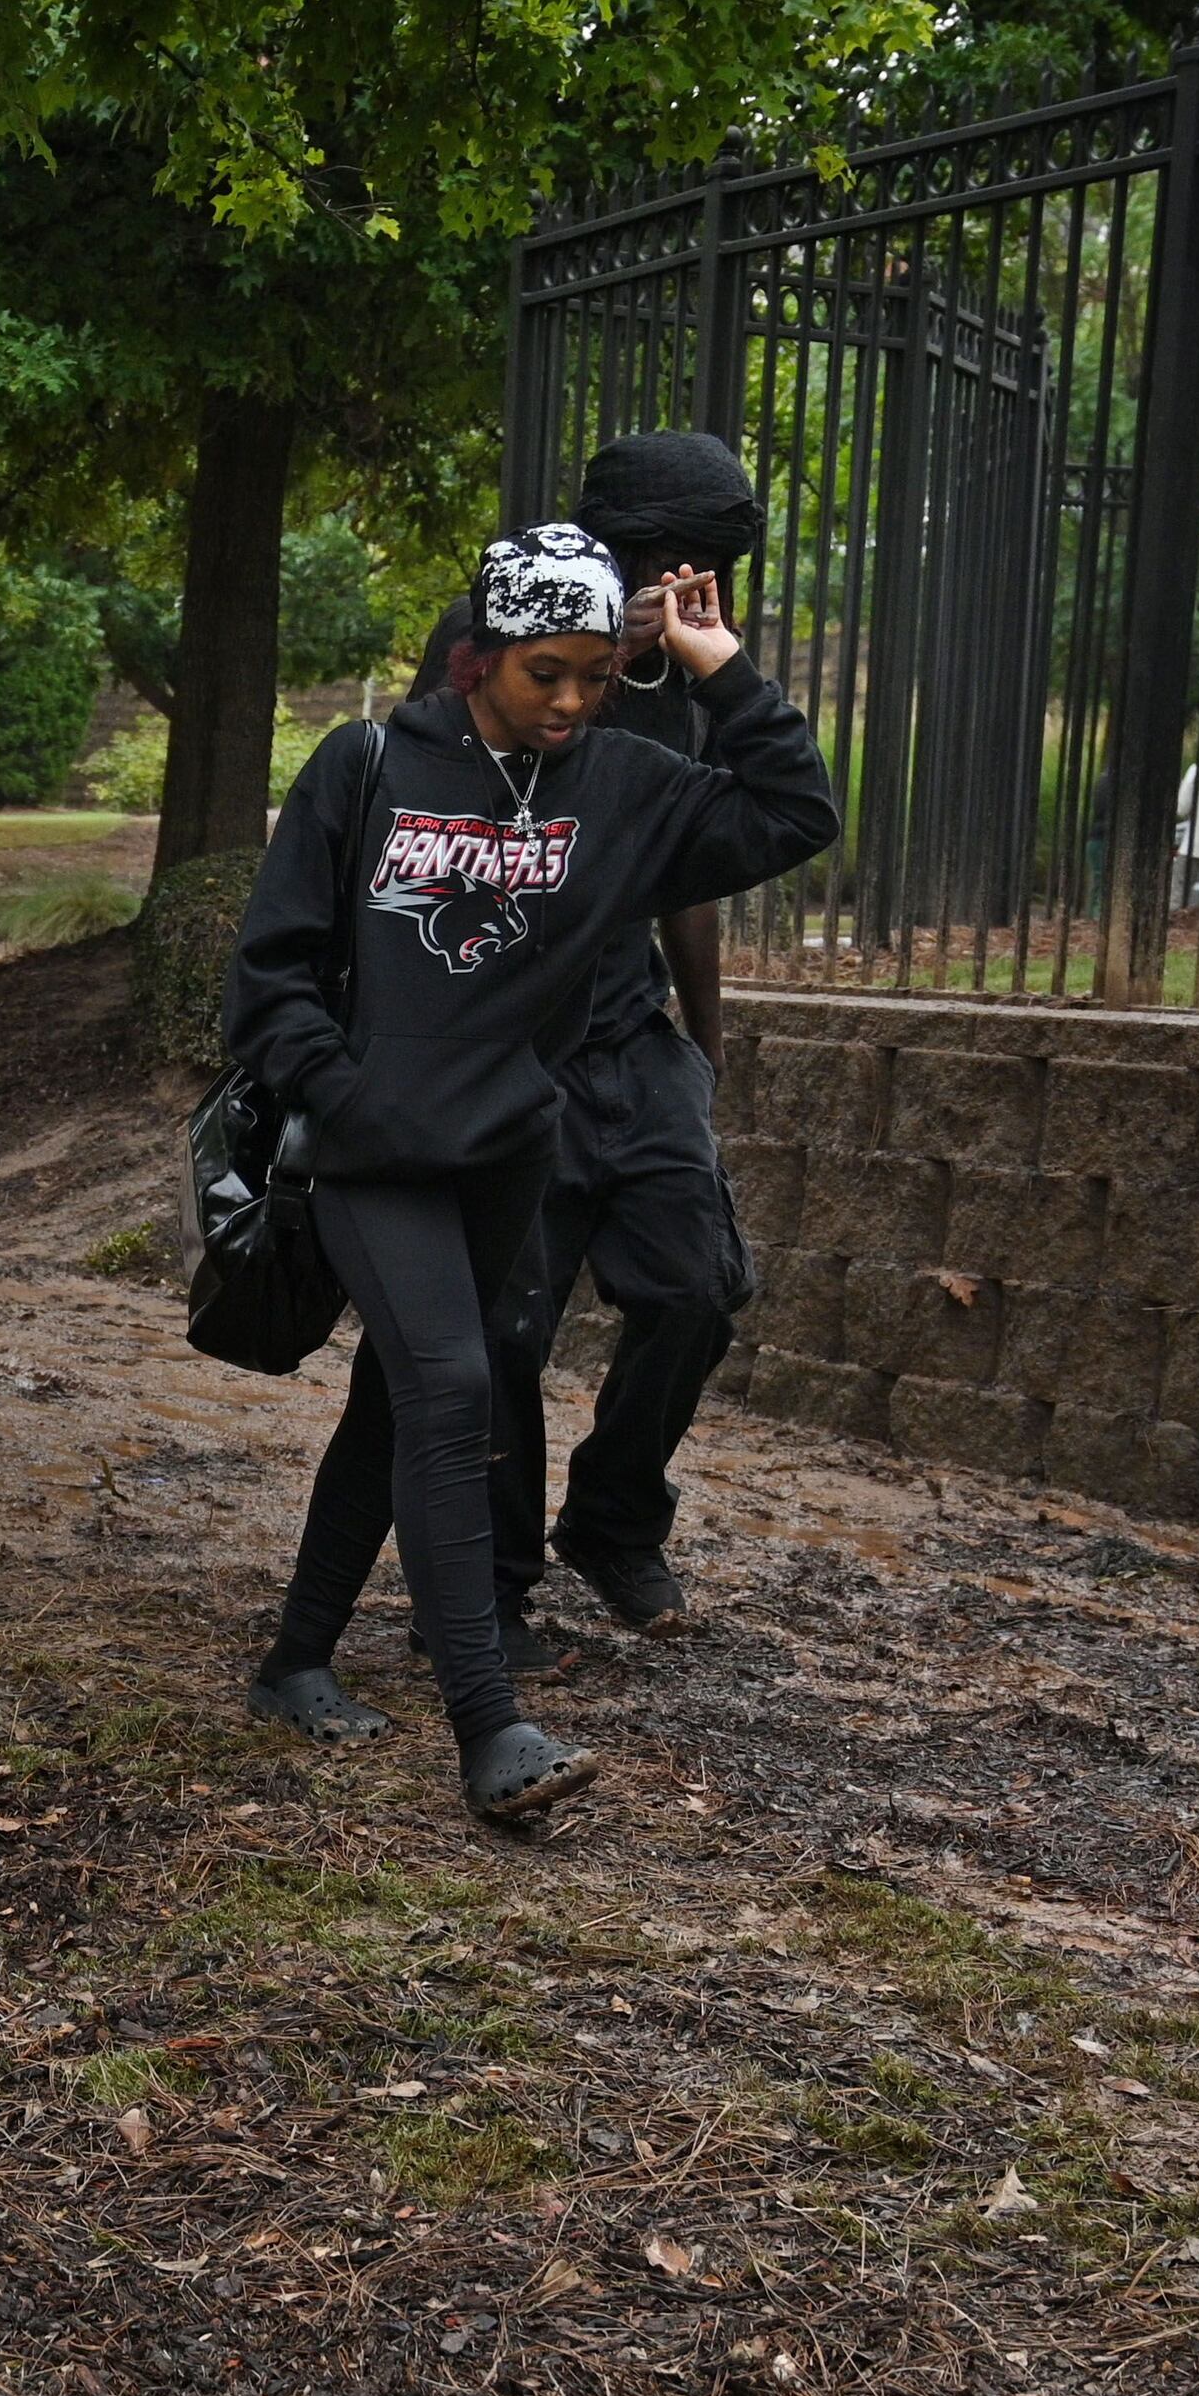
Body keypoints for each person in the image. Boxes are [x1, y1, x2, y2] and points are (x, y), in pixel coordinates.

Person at [217, 523, 834, 1826]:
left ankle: (293, 1663)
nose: (567, 701)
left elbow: (794, 812)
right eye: (543, 672)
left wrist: (718, 665)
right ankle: (492, 1727)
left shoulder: (619, 785)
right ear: (476, 657)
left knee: (398, 1402)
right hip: (372, 1153)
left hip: (504, 1156)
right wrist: (346, 1092)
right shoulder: (369, 765)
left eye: (595, 677)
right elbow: (269, 974)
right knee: (453, 1390)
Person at [397, 431, 773, 1657]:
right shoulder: (497, 628)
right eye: (670, 559)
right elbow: (429, 800)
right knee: (508, 1323)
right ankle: (490, 1589)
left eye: (709, 564)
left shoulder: (688, 670)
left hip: (627, 1032)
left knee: (695, 1287)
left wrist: (699, 1044)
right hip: (506, 1036)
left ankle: (612, 1522)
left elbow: (701, 857)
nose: (690, 583)